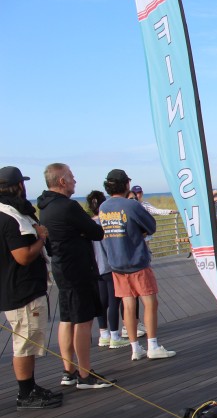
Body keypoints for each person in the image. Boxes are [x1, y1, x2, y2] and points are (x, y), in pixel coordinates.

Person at [38, 163, 115, 389]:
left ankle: (69, 371)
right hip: (79, 269)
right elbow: (97, 232)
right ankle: (85, 374)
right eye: (71, 177)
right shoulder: (68, 206)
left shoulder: (44, 207)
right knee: (82, 320)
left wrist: (80, 231)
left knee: (67, 319)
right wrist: (82, 231)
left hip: (61, 268)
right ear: (62, 181)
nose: (75, 181)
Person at [0, 166, 63, 409]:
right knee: (25, 344)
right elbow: (23, 256)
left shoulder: (9, 213)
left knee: (28, 341)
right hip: (22, 291)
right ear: (18, 186)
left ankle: (30, 386)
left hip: (21, 289)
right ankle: (25, 393)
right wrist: (42, 238)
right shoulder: (9, 219)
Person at [99, 169, 177, 361]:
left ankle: (135, 348)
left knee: (128, 304)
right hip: (136, 261)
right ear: (126, 184)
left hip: (116, 264)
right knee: (150, 302)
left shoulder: (103, 207)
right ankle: (153, 345)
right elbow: (151, 226)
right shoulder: (131, 205)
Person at [86, 191, 125, 349]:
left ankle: (104, 334)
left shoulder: (87, 225)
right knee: (114, 301)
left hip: (96, 268)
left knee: (102, 302)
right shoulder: (108, 222)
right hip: (111, 266)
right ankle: (115, 336)